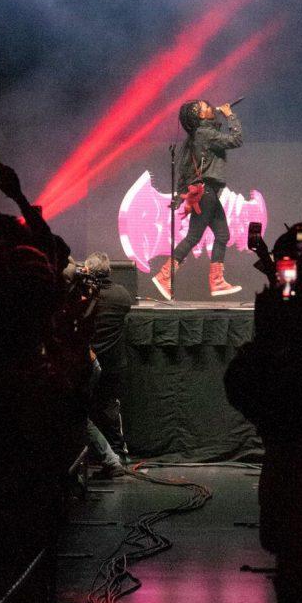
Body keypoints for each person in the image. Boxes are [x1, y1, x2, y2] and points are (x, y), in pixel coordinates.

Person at [152, 99, 243, 300]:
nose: (211, 108)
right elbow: (236, 139)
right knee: (194, 236)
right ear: (200, 116)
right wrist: (230, 115)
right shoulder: (204, 134)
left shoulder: (199, 136)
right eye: (206, 108)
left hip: (206, 192)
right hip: (207, 192)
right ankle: (164, 275)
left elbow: (185, 169)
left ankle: (217, 281)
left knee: (222, 234)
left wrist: (179, 194)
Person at [83, 251, 132, 464]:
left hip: (87, 362)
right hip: (113, 363)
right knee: (111, 408)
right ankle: (118, 453)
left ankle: (95, 456)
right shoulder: (122, 295)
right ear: (109, 271)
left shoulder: (85, 297)